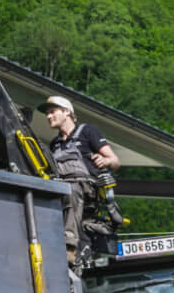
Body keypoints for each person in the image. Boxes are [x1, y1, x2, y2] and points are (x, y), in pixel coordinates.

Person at [39, 96, 120, 259]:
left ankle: (69, 246)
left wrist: (105, 161)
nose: (48, 116)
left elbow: (115, 161)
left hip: (87, 188)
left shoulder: (87, 131)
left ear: (66, 112)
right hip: (63, 186)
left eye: (52, 112)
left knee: (71, 190)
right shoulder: (54, 144)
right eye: (47, 113)